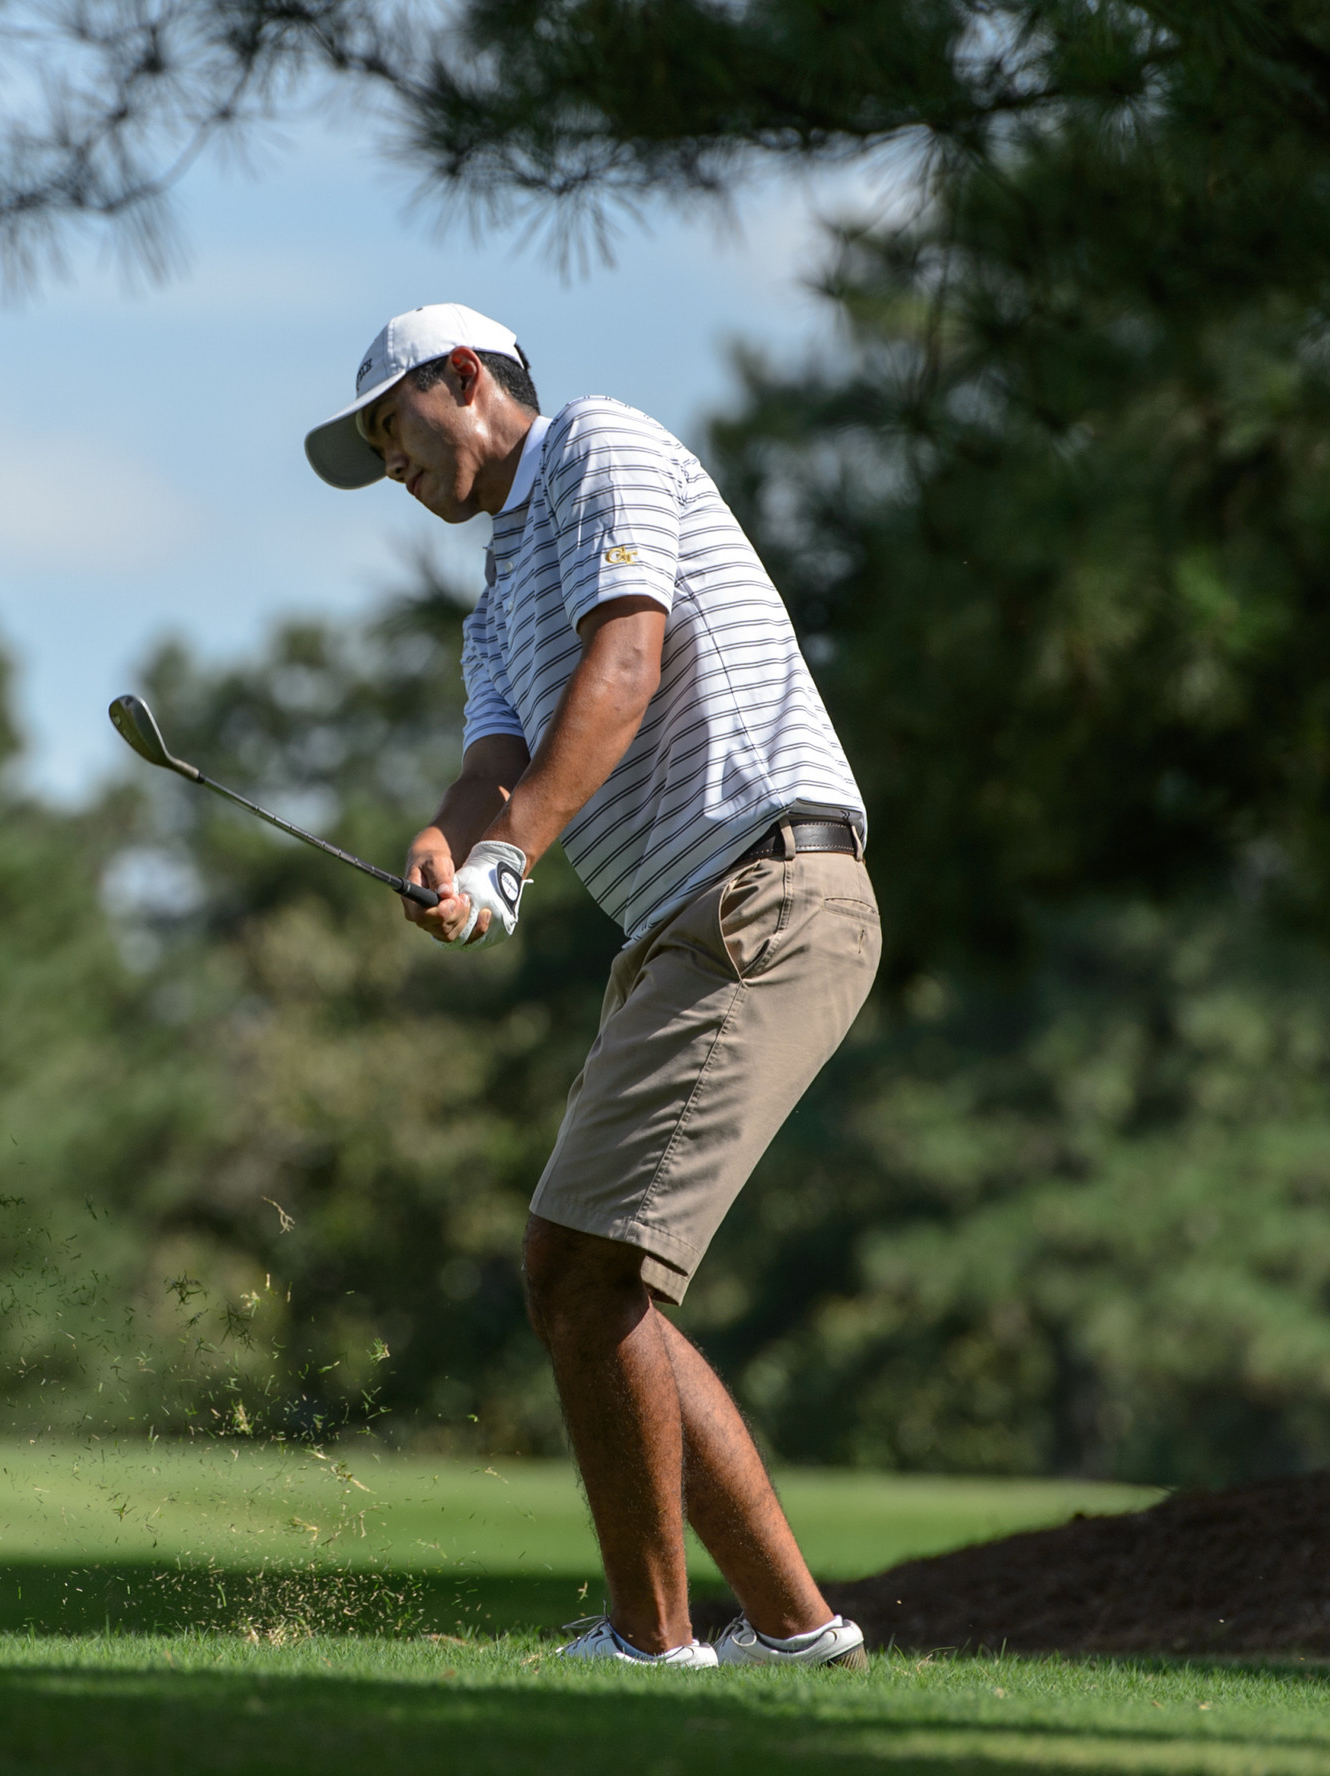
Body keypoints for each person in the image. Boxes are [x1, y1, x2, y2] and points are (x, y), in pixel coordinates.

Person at [304, 304, 881, 1669]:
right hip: (684, 930)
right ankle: (802, 1641)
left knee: (579, 1267)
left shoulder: (599, 448)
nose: (391, 458)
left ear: (466, 380)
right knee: (596, 1274)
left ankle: (652, 1645)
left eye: (393, 426)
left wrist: (511, 857)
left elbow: (629, 664)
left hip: (766, 890)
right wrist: (452, 844)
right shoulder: (496, 601)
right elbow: (494, 761)